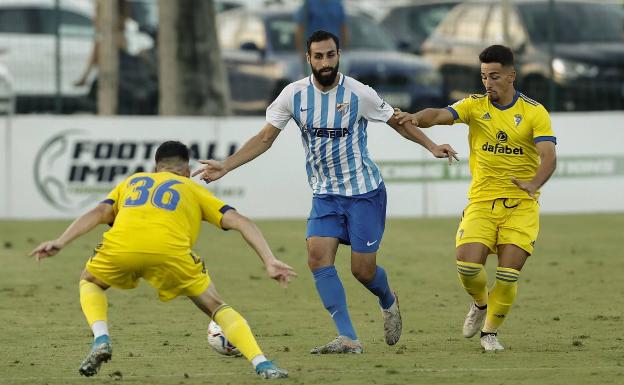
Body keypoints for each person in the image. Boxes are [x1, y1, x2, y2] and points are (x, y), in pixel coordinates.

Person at [192, 30, 458, 354]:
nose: (325, 62)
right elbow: (265, 138)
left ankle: (388, 299)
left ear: (338, 55)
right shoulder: (293, 95)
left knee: (362, 271)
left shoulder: (360, 93)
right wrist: (226, 165)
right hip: (325, 194)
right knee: (317, 258)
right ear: (308, 59)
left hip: (364, 194)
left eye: (330, 55)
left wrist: (431, 146)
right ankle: (348, 337)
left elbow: (397, 121)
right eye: (318, 56)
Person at [30, 141, 296, 379]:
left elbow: (99, 212)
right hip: (171, 254)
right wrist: (269, 259)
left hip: (121, 248)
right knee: (216, 307)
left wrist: (60, 241)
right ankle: (263, 365)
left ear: (156, 168)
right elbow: (241, 221)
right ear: (186, 169)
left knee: (90, 282)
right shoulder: (191, 187)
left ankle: (101, 338)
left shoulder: (132, 182)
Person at [394, 45, 557, 351]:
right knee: (468, 266)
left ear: (511, 76)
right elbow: (440, 115)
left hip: (521, 206)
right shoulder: (474, 105)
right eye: (484, 76)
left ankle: (490, 334)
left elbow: (548, 157)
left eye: (494, 76)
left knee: (508, 276)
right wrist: (415, 117)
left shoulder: (534, 112)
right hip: (482, 202)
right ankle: (480, 305)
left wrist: (533, 183)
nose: (488, 83)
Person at [295, 0, 348, 70]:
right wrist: (301, 51)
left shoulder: (337, 4)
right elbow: (300, 29)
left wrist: (344, 48)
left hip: (333, 51)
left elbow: (343, 28)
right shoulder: (308, 4)